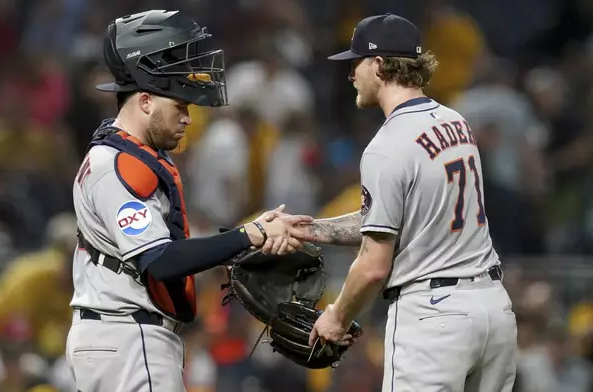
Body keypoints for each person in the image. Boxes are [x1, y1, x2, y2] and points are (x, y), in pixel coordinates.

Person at [66, 10, 310, 392]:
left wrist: (247, 238)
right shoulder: (116, 165)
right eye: (179, 105)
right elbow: (162, 262)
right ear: (144, 100)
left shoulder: (125, 156)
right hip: (129, 337)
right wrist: (250, 234)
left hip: (121, 337)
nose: (187, 118)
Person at [272, 13, 517, 392]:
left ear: (379, 64)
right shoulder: (456, 122)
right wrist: (312, 230)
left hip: (434, 319)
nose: (351, 74)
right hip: (493, 309)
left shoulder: (386, 147)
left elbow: (373, 266)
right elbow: (397, 219)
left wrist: (336, 317)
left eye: (356, 63)